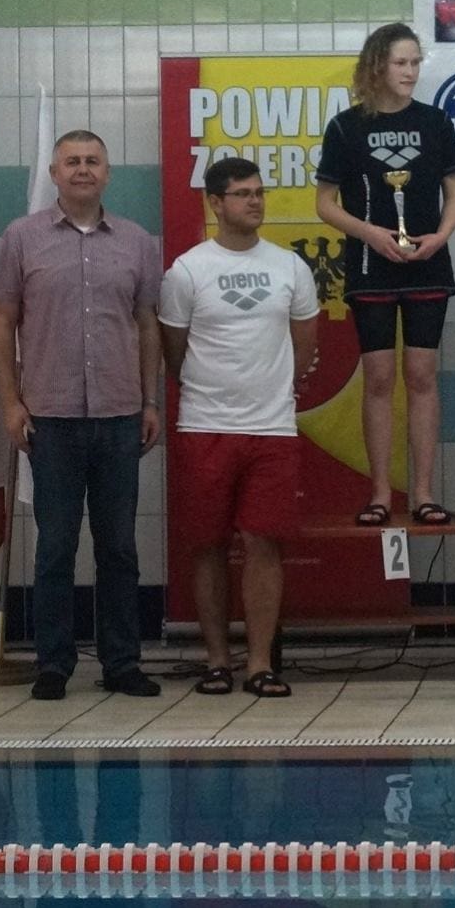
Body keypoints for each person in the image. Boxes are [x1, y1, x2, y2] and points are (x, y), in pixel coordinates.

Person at [0, 130, 163, 701]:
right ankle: (53, 665)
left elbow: (147, 325)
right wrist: (11, 402)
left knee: (119, 549)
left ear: (107, 173)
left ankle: (122, 663)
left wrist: (150, 401)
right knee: (56, 548)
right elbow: (2, 321)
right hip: (51, 417)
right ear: (54, 173)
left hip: (119, 416)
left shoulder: (137, 242)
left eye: (92, 161)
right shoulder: (22, 238)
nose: (83, 169)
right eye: (72, 162)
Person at [160, 157, 319, 701]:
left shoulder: (290, 267)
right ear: (215, 202)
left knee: (263, 543)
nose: (255, 201)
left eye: (259, 192)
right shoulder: (186, 271)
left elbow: (305, 347)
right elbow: (175, 353)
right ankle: (216, 661)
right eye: (242, 194)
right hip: (205, 425)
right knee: (207, 544)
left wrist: (272, 390)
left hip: (272, 429)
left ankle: (259, 665)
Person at [315, 24, 455, 527]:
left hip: (427, 264)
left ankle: (423, 493)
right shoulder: (345, 127)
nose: (410, 71)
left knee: (421, 374)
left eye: (416, 62)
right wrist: (370, 234)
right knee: (378, 378)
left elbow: (454, 195)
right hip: (369, 266)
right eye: (401, 62)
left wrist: (440, 236)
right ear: (377, 64)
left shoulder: (436, 121)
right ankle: (380, 492)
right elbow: (325, 204)